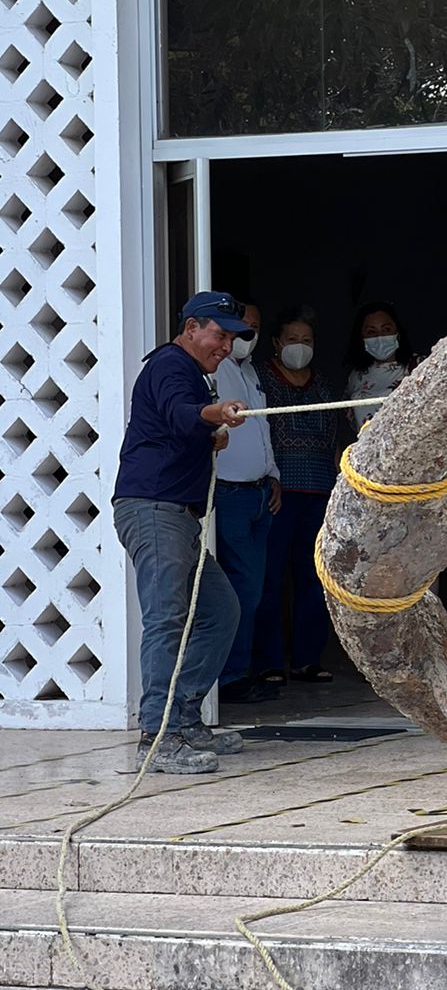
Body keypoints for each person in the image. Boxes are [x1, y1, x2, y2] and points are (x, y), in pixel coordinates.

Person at [112, 292, 253, 774]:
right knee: (167, 619)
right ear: (192, 327)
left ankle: (185, 716)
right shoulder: (171, 366)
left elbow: (178, 423)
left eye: (233, 337)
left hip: (175, 516)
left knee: (220, 612)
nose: (227, 345)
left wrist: (208, 432)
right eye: (220, 334)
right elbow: (178, 412)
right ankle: (157, 737)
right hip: (154, 511)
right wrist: (215, 415)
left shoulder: (190, 372)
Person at [255, 307, 339, 684]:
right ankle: (268, 661)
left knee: (313, 576)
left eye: (307, 341)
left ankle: (307, 658)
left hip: (319, 490)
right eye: (292, 340)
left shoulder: (321, 383)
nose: (299, 347)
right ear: (276, 343)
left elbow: (334, 437)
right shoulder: (261, 379)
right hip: (278, 492)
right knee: (270, 577)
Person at [213, 301, 283, 704]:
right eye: (242, 327)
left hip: (259, 493)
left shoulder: (250, 371)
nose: (247, 334)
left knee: (254, 588)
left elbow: (262, 427)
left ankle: (240, 669)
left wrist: (272, 475)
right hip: (230, 493)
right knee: (241, 590)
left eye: (255, 327)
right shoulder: (214, 369)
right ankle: (230, 676)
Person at [343, 301, 415, 429]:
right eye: (371, 332)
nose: (380, 336)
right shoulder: (355, 377)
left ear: (397, 333)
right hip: (368, 447)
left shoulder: (418, 366)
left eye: (386, 329)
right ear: (361, 337)